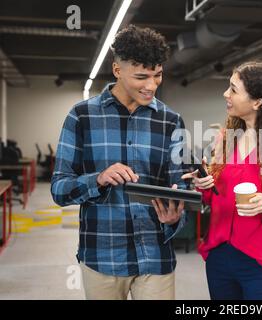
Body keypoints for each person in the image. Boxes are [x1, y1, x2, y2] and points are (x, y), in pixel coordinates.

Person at [51, 25, 186, 300]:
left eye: (157, 75)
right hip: (103, 256)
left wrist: (176, 215)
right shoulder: (82, 117)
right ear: (117, 70)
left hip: (155, 255)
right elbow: (59, 189)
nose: (151, 85)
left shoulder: (171, 121)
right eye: (141, 77)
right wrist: (97, 179)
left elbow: (179, 185)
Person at [182, 61, 262, 300]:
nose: (226, 94)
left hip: (259, 261)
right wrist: (203, 185)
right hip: (219, 255)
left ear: (257, 102)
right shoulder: (226, 138)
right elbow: (214, 197)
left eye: (233, 89)